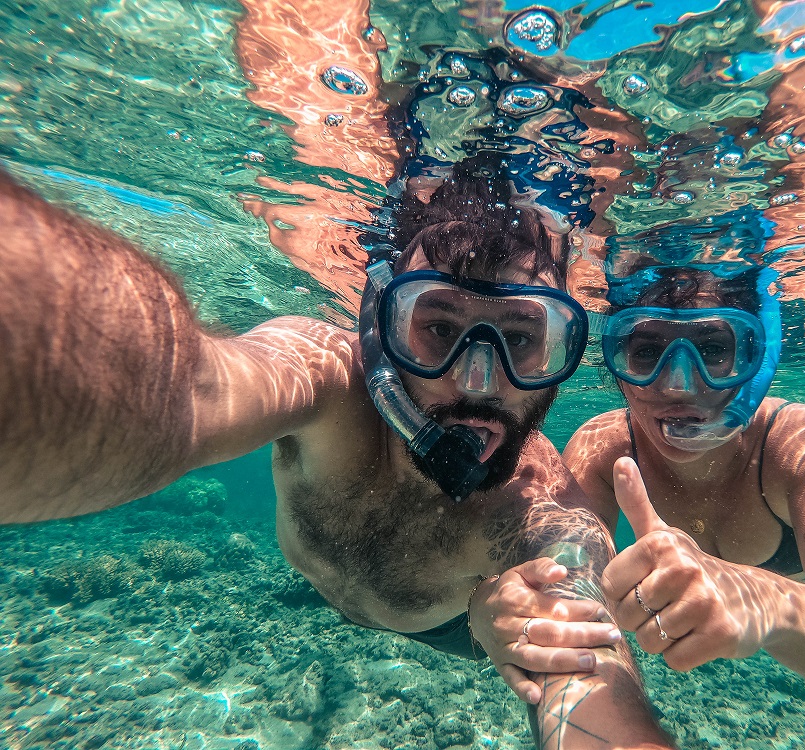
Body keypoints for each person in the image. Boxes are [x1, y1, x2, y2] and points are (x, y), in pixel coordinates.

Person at [0, 155, 675, 750]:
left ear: (562, 354)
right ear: (382, 327)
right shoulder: (325, 383)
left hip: (453, 632)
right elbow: (185, 387)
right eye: (438, 327)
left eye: (522, 338)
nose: (478, 381)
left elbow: (588, 661)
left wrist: (524, 627)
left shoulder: (537, 511)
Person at [477, 261, 805, 708]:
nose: (678, 385)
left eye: (711, 347)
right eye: (645, 351)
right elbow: (569, 589)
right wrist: (510, 607)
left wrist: (768, 601)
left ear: (755, 357)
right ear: (616, 364)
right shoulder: (604, 450)